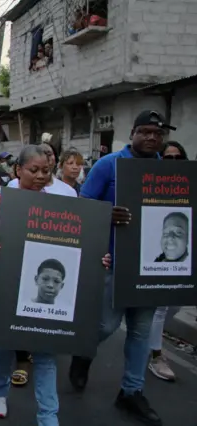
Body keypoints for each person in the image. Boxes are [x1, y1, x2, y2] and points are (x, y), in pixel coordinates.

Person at [0, 145, 112, 425]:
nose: (41, 176)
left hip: (42, 294)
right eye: (34, 170)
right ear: (18, 170)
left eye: (46, 170)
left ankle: (48, 415)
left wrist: (96, 258)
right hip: (8, 287)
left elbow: (80, 242)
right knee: (4, 346)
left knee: (45, 351)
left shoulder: (59, 204)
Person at [68, 110, 171, 426]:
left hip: (149, 268)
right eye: (145, 132)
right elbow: (81, 206)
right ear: (134, 133)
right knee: (103, 327)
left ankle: (131, 392)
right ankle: (82, 354)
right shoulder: (108, 165)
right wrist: (105, 214)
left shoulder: (164, 171)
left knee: (140, 332)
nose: (152, 137)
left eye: (157, 133)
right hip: (112, 263)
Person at [148, 140, 189, 382]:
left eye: (177, 158)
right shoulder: (150, 182)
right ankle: (156, 355)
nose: (172, 162)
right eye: (167, 157)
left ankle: (148, 339)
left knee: (174, 303)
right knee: (160, 306)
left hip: (185, 255)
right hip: (159, 252)